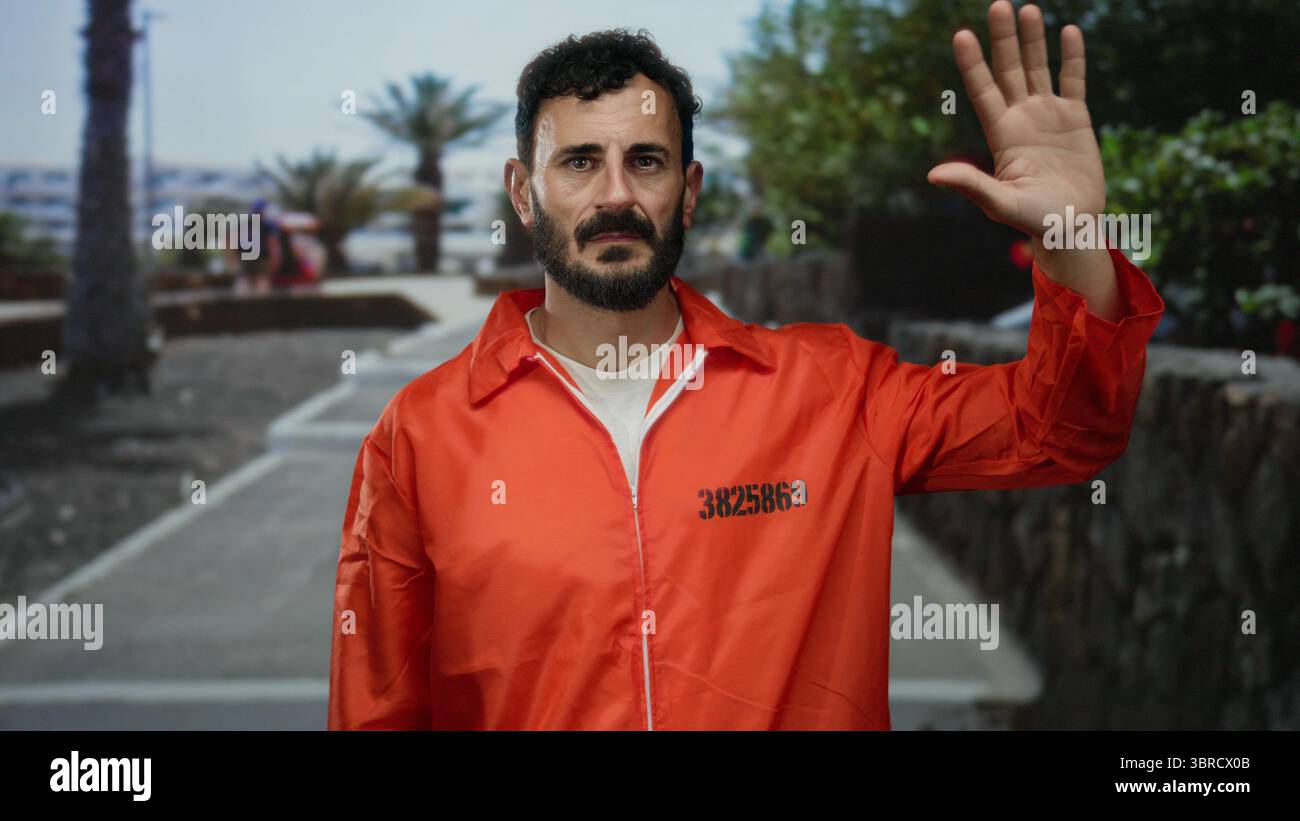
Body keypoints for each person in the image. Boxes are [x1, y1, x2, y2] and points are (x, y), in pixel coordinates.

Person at [328, 3, 1165, 730]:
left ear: (688, 192)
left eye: (646, 161)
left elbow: (1065, 430)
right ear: (522, 192)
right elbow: (377, 710)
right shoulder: (419, 437)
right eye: (579, 161)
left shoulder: (835, 390)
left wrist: (1069, 240)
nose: (615, 194)